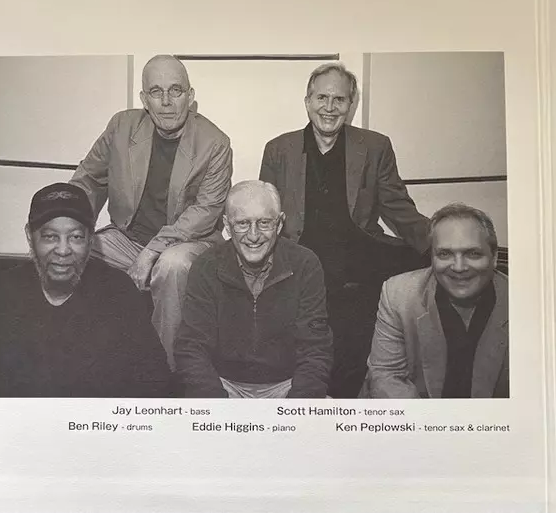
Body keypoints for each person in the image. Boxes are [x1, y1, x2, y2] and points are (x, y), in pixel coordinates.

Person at [259, 61, 429, 398]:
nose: (329, 107)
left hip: (358, 254)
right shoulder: (278, 149)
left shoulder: (375, 147)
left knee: (426, 269)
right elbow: (266, 213)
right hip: (301, 256)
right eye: (321, 98)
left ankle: (347, 396)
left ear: (351, 105)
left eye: (339, 99)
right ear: (307, 101)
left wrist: (439, 242)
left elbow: (399, 208)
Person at [70, 55, 233, 370]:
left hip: (189, 244)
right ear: (144, 99)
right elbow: (88, 179)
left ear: (190, 95)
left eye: (176, 90)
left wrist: (151, 253)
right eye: (157, 92)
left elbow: (206, 211)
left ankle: (165, 371)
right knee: (71, 250)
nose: (167, 102)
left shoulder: (215, 143)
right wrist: (67, 221)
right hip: (128, 239)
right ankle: (83, 360)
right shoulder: (122, 127)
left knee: (172, 265)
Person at [0, 183, 172, 398]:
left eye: (76, 237)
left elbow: (155, 380)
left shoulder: (118, 292)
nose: (63, 250)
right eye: (50, 236)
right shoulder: (1, 292)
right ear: (30, 236)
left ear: (91, 239)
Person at [174, 181, 333, 398]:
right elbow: (192, 347)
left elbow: (316, 350)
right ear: (227, 225)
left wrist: (295, 406)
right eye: (242, 223)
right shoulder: (206, 266)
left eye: (264, 223)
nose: (254, 235)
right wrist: (218, 405)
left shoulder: (305, 264)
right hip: (224, 385)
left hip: (286, 385)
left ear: (279, 224)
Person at [367, 203, 509, 398]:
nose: (459, 267)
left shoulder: (526, 304)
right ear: (432, 258)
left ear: (494, 257)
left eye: (473, 254)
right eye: (445, 254)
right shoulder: (398, 294)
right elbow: (386, 376)